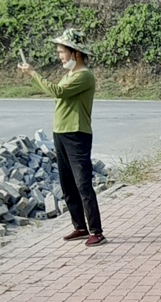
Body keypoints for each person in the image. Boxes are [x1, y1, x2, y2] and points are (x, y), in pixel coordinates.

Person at [18, 28, 105, 246]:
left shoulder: (84, 75)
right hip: (62, 132)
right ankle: (80, 227)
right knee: (67, 183)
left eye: (62, 52)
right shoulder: (70, 74)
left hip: (77, 134)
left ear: (75, 52)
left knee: (83, 183)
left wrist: (33, 74)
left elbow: (57, 91)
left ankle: (96, 230)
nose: (60, 56)